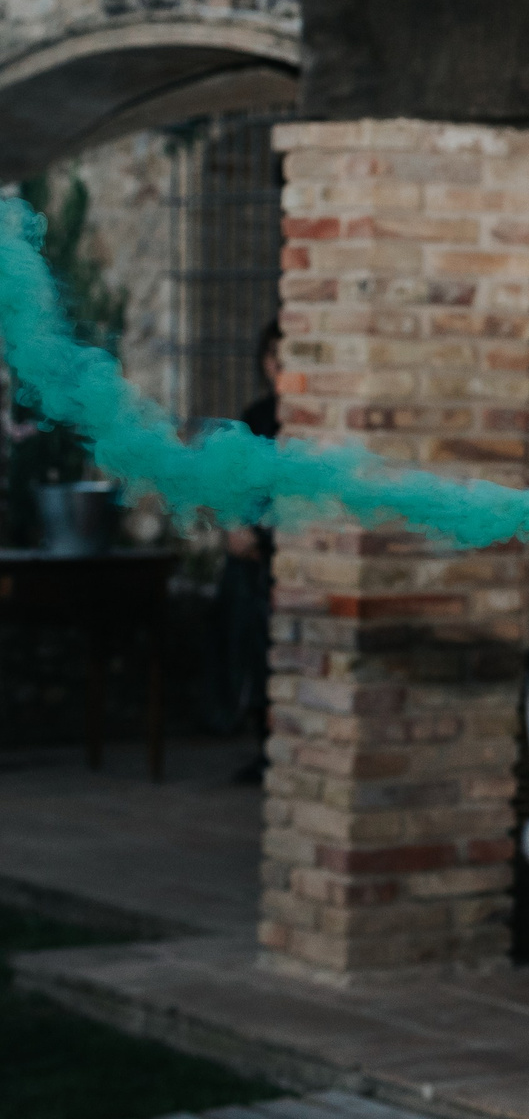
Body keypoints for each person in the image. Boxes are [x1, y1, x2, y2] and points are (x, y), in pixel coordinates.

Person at [212, 321, 282, 784]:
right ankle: (253, 731)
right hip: (255, 549)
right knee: (237, 606)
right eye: (272, 359)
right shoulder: (257, 416)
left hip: (286, 547)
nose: (279, 368)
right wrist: (235, 528)